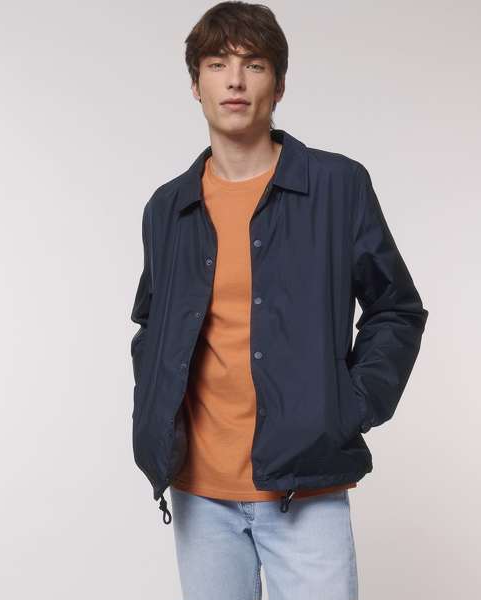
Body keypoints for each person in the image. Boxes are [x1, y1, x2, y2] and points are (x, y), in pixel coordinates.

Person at [129, 3, 428, 599]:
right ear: (196, 85)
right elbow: (152, 325)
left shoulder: (336, 186)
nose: (235, 81)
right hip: (198, 490)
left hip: (305, 485)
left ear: (279, 84)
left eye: (255, 64)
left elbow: (396, 308)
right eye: (217, 64)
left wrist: (349, 406)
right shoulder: (168, 207)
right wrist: (156, 415)